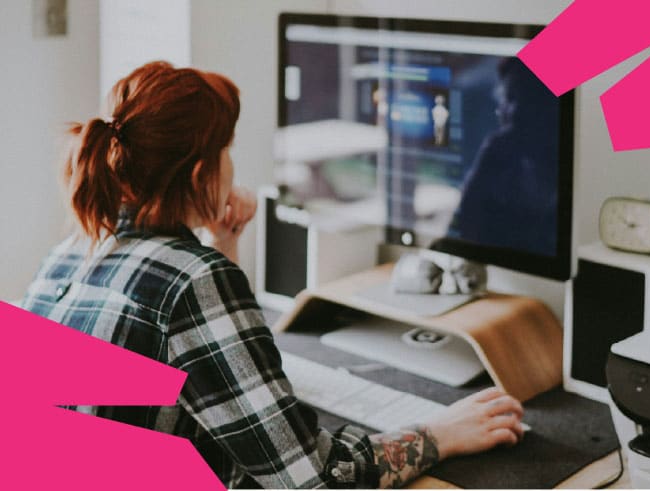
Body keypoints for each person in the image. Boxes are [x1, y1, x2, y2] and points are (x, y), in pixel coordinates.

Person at [22, 61, 524, 489]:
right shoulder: (192, 280)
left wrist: (223, 244)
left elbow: (217, 375)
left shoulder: (69, 254)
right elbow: (311, 478)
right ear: (201, 175)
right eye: (227, 150)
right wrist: (440, 434)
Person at [449, 57, 560, 256]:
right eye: (507, 98)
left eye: (521, 98)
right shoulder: (498, 161)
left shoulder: (562, 176)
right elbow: (460, 235)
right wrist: (484, 168)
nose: (510, 111)